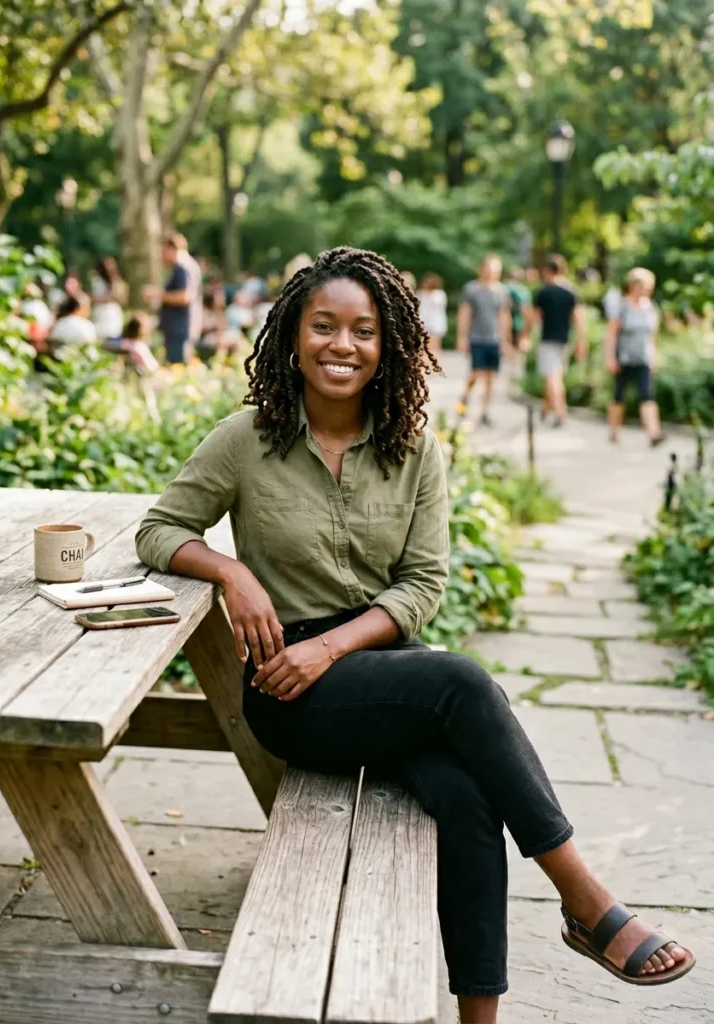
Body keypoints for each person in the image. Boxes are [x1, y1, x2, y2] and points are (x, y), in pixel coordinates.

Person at [135, 246, 694, 1024]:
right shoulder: (246, 439)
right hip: (290, 694)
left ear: (387, 344)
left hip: (381, 675)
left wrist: (334, 645)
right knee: (460, 681)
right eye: (322, 326)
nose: (341, 345)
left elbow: (423, 584)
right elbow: (158, 530)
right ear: (291, 336)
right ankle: (584, 899)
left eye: (362, 330)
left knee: (467, 798)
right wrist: (234, 573)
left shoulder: (413, 448)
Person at [605, 267, 665, 447]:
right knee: (619, 396)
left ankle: (654, 433)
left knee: (647, 395)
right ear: (633, 286)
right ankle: (614, 430)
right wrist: (610, 357)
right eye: (643, 287)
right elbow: (612, 333)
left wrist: (653, 357)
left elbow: (652, 336)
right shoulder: (622, 307)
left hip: (643, 358)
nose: (646, 291)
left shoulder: (651, 308)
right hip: (624, 358)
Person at [457, 255, 511, 426]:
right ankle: (464, 399)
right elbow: (465, 314)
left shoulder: (502, 291)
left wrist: (506, 340)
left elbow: (504, 316)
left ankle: (485, 412)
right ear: (481, 269)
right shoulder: (471, 289)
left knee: (490, 378)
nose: (492, 273)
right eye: (489, 269)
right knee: (476, 374)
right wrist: (462, 337)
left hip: (494, 339)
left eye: (495, 270)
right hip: (477, 338)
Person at [534, 255, 587, 427]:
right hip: (564, 340)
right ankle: (545, 408)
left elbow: (536, 317)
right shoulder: (571, 291)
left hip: (548, 339)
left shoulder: (544, 292)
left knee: (552, 377)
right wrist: (581, 341)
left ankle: (560, 413)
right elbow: (578, 318)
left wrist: (524, 336)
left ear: (547, 271)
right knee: (555, 375)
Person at [146, 233, 192, 365]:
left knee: (177, 365)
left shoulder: (182, 268)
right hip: (175, 326)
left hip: (178, 327)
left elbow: (184, 297)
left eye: (163, 251)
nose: (162, 255)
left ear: (172, 249)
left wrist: (158, 295)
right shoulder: (181, 267)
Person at [48, 294, 98, 359]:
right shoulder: (87, 325)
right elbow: (92, 349)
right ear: (79, 308)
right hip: (81, 361)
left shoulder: (58, 324)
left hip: (58, 360)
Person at [90, 257, 126, 343]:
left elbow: (120, 297)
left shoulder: (117, 281)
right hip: (100, 315)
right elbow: (92, 297)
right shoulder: (96, 281)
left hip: (113, 316)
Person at [416, 272, 448, 358]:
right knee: (422, 345)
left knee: (434, 346)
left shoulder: (439, 294)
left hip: (435, 323)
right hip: (423, 322)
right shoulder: (420, 293)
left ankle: (434, 360)